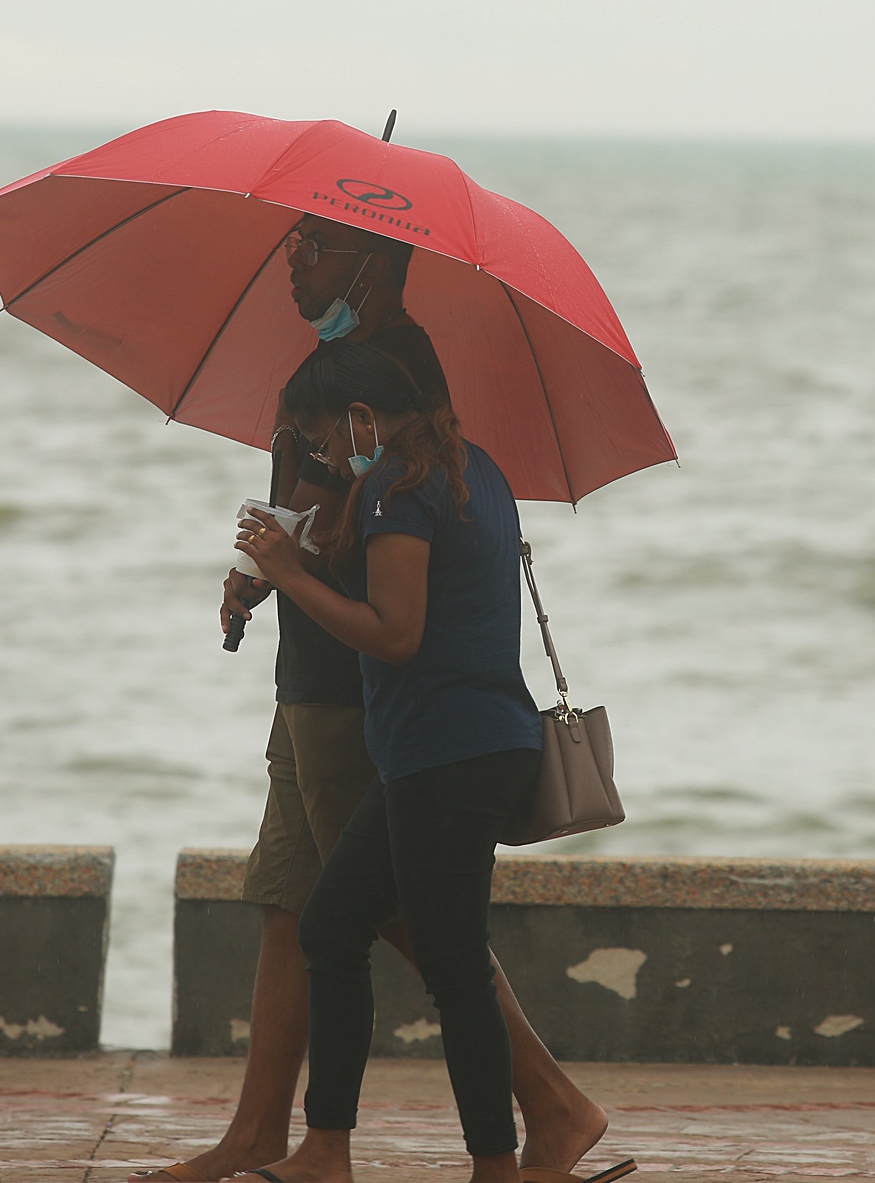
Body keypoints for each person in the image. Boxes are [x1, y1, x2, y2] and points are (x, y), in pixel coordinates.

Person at [135, 219, 609, 1183]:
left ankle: (546, 1114)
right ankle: (269, 1134)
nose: (293, 265)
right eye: (291, 246)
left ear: (376, 261)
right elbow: (326, 519)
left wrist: (282, 564)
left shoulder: (391, 381)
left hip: (368, 699)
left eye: (313, 248)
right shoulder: (340, 374)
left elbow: (367, 548)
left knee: (400, 916)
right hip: (312, 676)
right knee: (295, 905)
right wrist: (260, 574)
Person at [230, 341, 632, 1183]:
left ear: (364, 417)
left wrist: (286, 575)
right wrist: (304, 556)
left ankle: (495, 1165)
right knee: (332, 925)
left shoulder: (394, 489)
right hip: (480, 745)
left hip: (446, 756)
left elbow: (395, 634)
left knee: (454, 968)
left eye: (328, 442)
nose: (330, 462)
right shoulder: (475, 470)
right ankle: (325, 1150)